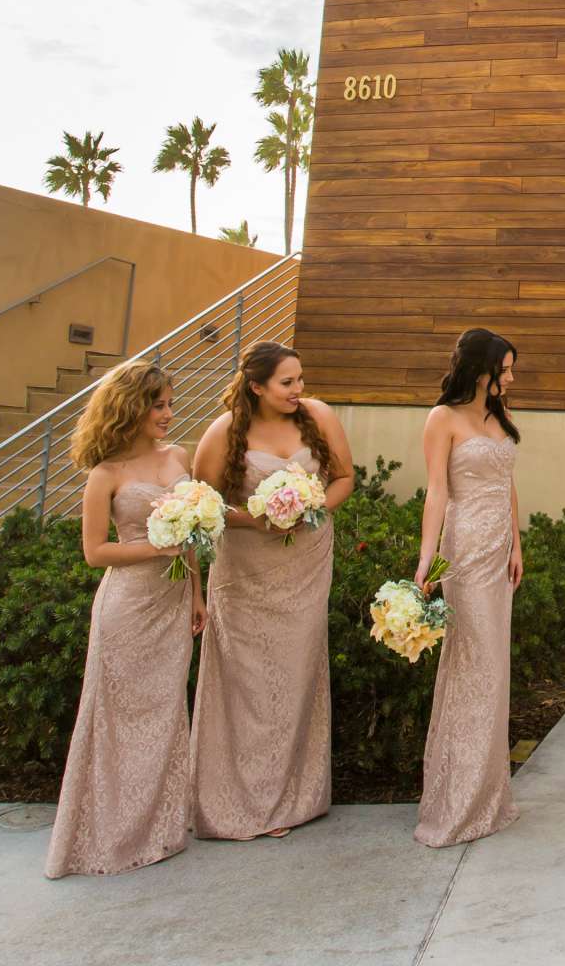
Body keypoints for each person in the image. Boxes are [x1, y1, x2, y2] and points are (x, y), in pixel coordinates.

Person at [188, 342, 353, 840]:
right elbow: (203, 506)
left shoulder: (317, 416)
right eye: (287, 383)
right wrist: (257, 519)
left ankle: (291, 799)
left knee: (295, 676)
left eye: (300, 379)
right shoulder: (223, 434)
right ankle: (240, 800)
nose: (298, 390)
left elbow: (344, 478)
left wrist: (312, 507)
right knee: (248, 685)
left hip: (304, 567)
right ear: (256, 386)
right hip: (246, 574)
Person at [45, 359, 201, 878]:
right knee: (117, 717)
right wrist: (158, 548)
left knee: (164, 713)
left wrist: (198, 594)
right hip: (128, 607)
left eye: (169, 404)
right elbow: (95, 551)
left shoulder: (179, 455)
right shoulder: (105, 474)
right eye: (158, 405)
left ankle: (159, 830)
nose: (167, 413)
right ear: (131, 408)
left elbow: (196, 532)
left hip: (175, 602)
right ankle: (111, 833)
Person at [412, 327, 525, 847]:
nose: (510, 376)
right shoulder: (443, 418)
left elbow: (507, 484)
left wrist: (517, 545)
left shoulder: (497, 417)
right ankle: (455, 801)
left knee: (493, 670)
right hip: (464, 553)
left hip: (499, 554)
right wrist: (427, 561)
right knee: (471, 667)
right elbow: (437, 491)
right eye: (504, 368)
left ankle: (488, 795)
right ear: (480, 369)